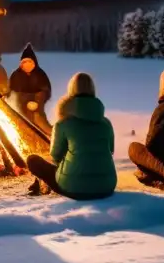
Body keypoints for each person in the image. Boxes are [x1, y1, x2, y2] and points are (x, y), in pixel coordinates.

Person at [26, 72, 117, 200]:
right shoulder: (106, 123)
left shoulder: (63, 124)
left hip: (75, 189)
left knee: (33, 160)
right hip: (106, 187)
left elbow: (55, 156)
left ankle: (48, 186)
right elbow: (111, 150)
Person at [8, 43, 52, 133]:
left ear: (34, 62)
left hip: (36, 106)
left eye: (29, 62)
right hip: (21, 105)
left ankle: (48, 135)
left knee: (39, 122)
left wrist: (38, 100)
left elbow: (46, 90)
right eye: (24, 62)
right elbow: (11, 91)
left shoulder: (40, 74)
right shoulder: (16, 75)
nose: (27, 64)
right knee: (22, 124)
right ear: (21, 64)